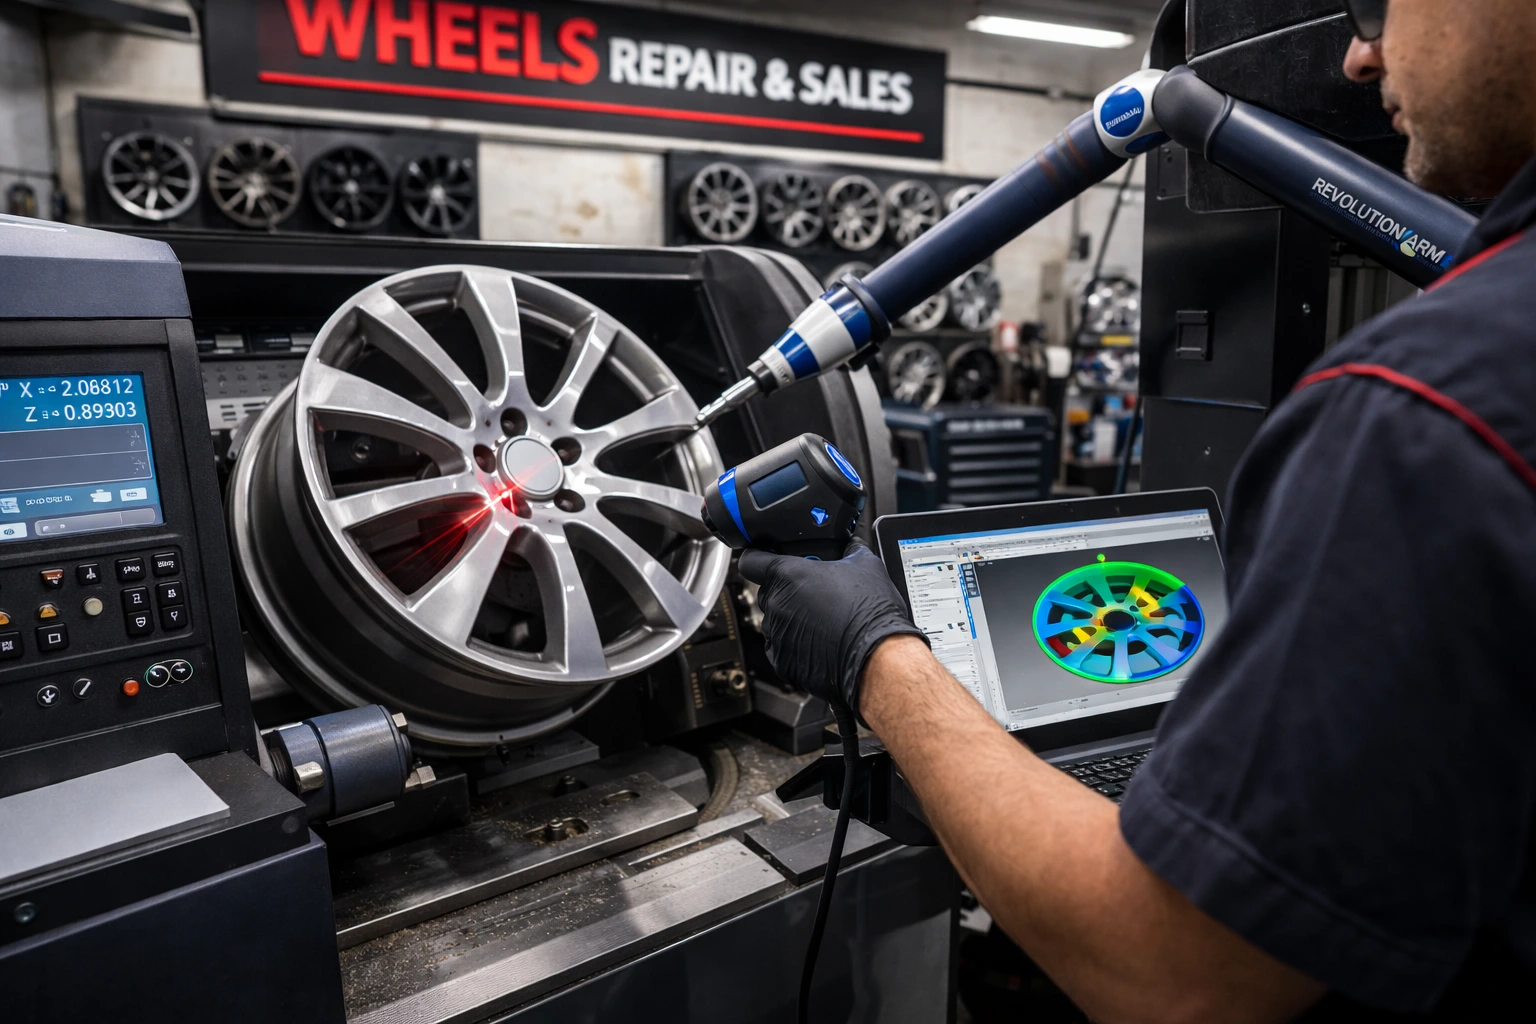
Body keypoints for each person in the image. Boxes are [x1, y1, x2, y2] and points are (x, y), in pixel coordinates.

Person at [739, 2, 1536, 1020]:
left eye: (1383, 2)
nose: (1357, 53)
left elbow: (1175, 973)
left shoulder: (1425, 410)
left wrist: (874, 655)